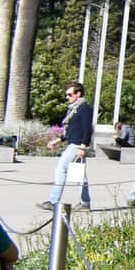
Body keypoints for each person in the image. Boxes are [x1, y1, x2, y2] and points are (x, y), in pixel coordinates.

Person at [41, 82, 94, 211]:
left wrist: (82, 147)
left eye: (70, 94)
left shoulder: (84, 108)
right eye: (67, 95)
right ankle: (85, 202)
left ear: (78, 94)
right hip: (74, 143)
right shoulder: (73, 109)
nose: (67, 97)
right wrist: (56, 141)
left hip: (77, 146)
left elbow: (87, 129)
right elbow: (70, 131)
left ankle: (53, 201)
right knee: (80, 175)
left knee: (61, 170)